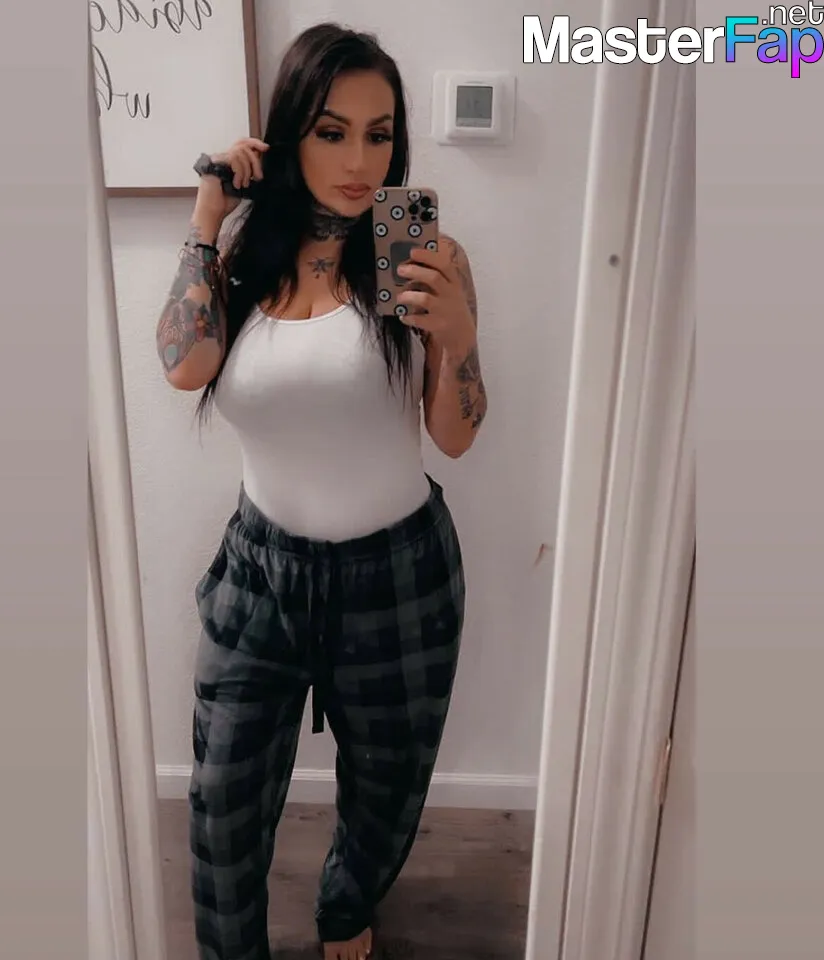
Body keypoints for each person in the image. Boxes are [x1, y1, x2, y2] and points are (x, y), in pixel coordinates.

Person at [155, 22, 487, 960]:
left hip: (398, 575)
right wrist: (206, 217)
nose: (357, 161)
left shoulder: (421, 256)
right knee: (222, 801)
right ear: (290, 130)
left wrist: (458, 339)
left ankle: (346, 908)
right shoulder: (243, 258)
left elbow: (456, 435)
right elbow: (184, 367)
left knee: (385, 790)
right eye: (331, 131)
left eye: (379, 135)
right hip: (259, 574)